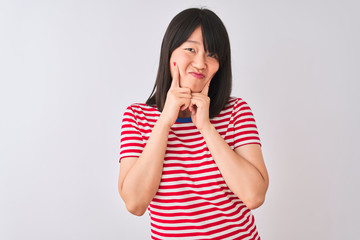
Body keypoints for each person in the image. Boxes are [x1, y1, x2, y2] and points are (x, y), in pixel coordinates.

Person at [118, 8, 269, 240]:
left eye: (212, 54)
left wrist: (206, 127)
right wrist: (165, 121)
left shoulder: (236, 111)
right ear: (170, 52)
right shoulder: (137, 117)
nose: (200, 63)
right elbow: (135, 203)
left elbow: (254, 196)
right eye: (191, 49)